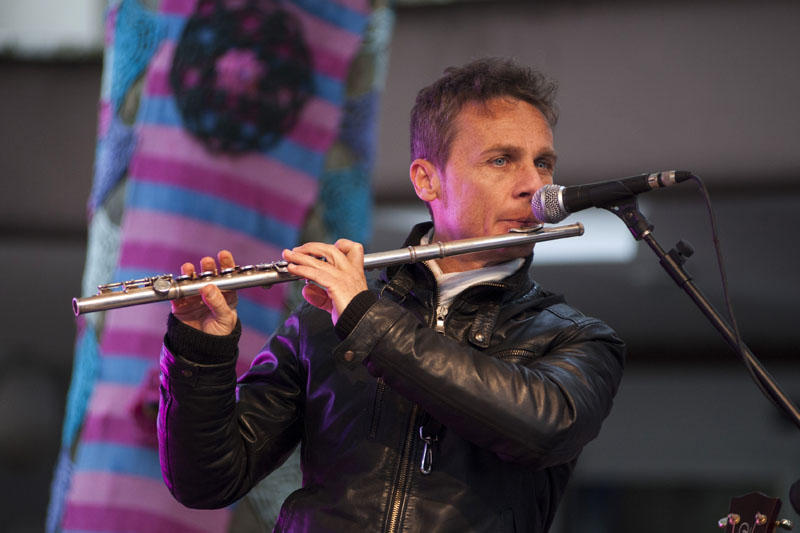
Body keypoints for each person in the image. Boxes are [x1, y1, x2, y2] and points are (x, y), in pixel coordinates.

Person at [158, 57, 626, 532]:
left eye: (543, 163)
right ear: (427, 179)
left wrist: (368, 322)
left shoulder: (576, 338)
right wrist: (202, 350)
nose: (535, 186)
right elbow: (206, 483)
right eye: (501, 160)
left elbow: (543, 429)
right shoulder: (325, 319)